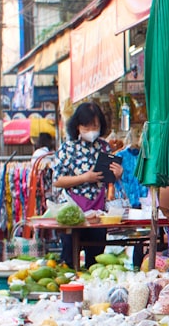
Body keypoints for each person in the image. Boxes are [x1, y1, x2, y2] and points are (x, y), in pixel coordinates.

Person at [51, 102, 123, 268]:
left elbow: (109, 178)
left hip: (98, 212)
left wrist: (117, 174)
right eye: (88, 125)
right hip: (72, 212)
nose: (92, 129)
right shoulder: (67, 148)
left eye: (95, 125)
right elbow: (58, 180)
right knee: (69, 259)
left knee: (96, 259)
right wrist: (85, 178)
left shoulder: (104, 146)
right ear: (78, 126)